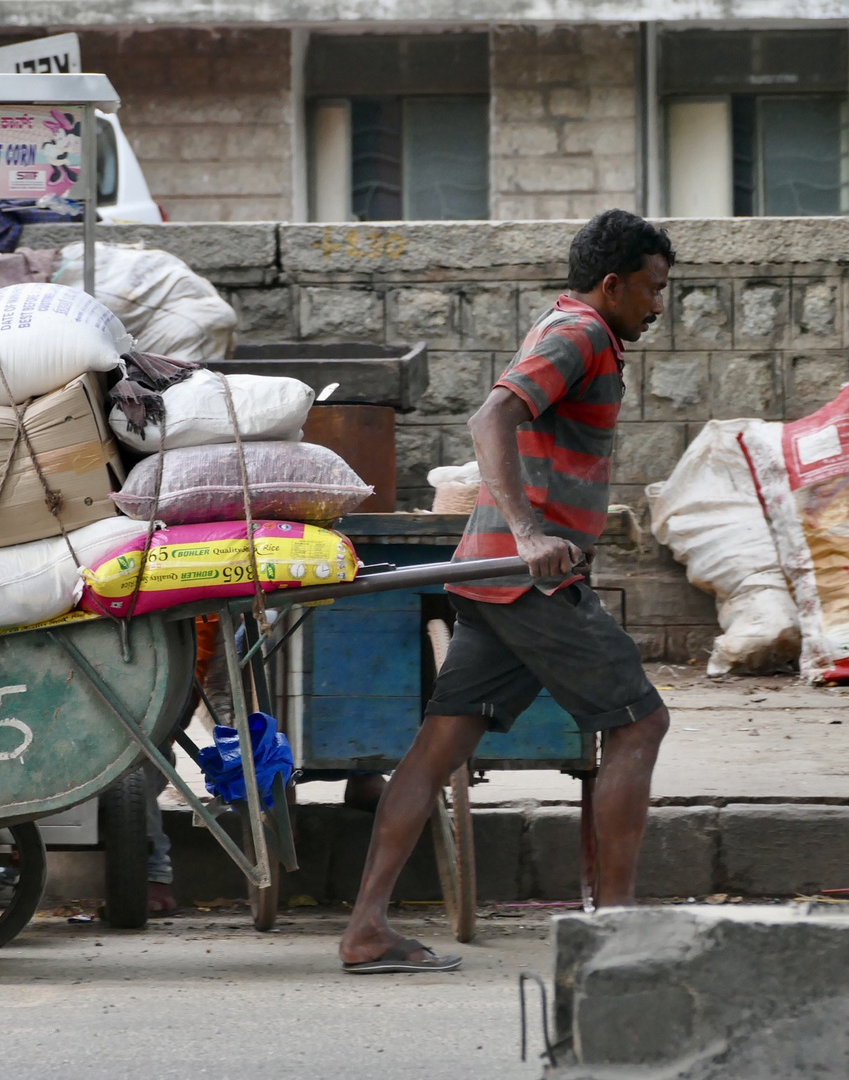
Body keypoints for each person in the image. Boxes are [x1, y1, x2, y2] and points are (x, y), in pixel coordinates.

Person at [338, 209, 675, 974]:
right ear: (613, 283)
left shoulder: (578, 328)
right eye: (652, 291)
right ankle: (615, 932)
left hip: (496, 579)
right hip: (526, 582)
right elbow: (491, 414)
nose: (658, 307)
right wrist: (528, 533)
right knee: (639, 725)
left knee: (436, 750)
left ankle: (366, 928)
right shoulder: (581, 332)